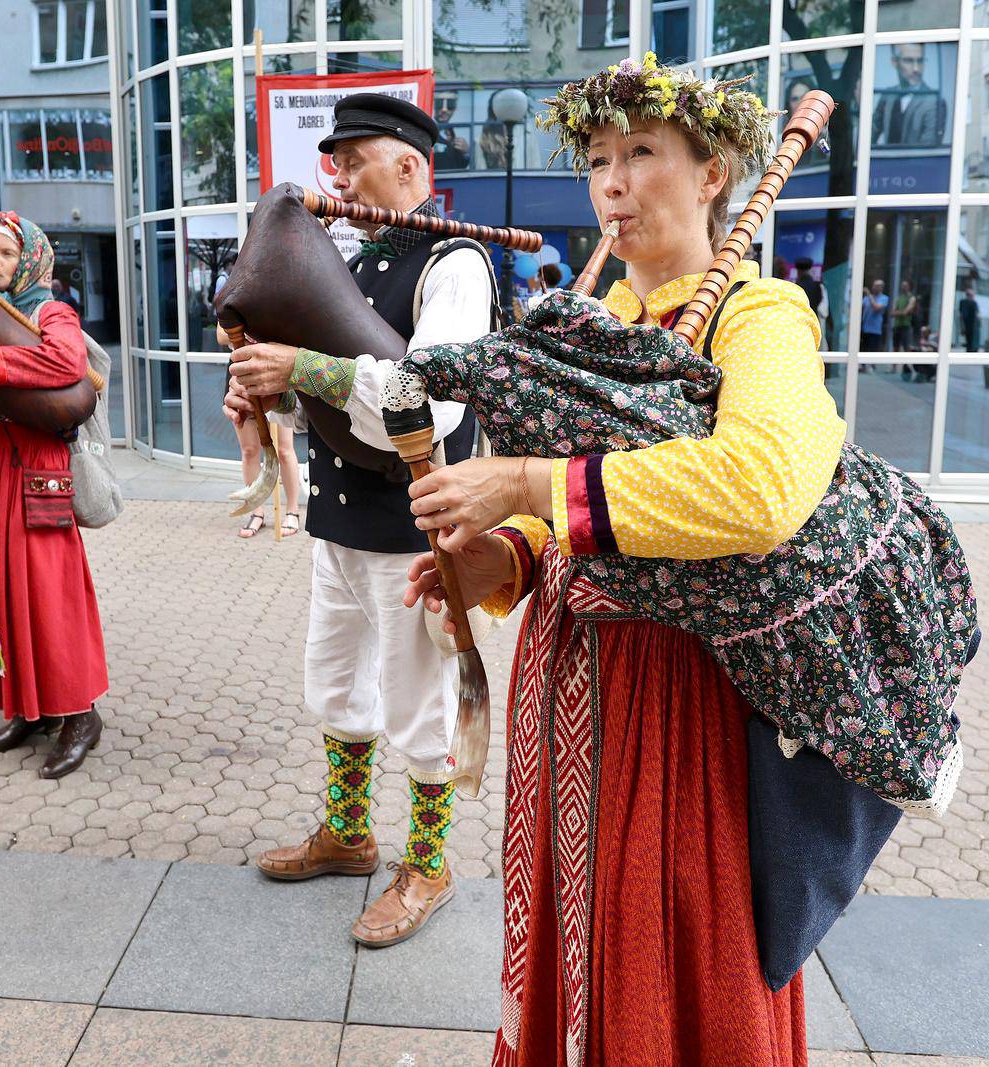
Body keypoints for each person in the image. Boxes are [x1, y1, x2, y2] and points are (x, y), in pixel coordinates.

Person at [398, 54, 863, 1064]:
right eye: (599, 159)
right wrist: (498, 562)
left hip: (677, 698)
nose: (613, 180)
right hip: (570, 677)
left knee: (661, 934)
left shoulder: (761, 317)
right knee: (574, 909)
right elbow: (577, 504)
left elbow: (758, 488)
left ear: (710, 175)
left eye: (642, 152)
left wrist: (523, 484)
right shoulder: (607, 326)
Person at [224, 93, 493, 947]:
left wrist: (309, 362)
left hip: (413, 527)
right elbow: (335, 411)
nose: (335, 175)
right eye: (334, 160)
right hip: (339, 521)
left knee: (420, 702)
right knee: (336, 680)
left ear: (410, 168)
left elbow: (431, 404)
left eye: (354, 159)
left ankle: (429, 862)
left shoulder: (457, 264)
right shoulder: (353, 262)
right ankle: (348, 834)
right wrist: (276, 390)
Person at [0, 210, 109, 779]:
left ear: (31, 259)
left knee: (47, 593)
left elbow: (66, 360)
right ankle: (30, 707)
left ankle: (80, 715)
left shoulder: (50, 311)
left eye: (7, 253)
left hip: (37, 472)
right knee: (1, 592)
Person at [221, 328, 303, 539]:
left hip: (276, 369)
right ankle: (256, 511)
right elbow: (222, 335)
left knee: (284, 450)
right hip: (242, 372)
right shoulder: (231, 296)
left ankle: (292, 510)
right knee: (249, 450)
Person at [874, 43, 948, 147]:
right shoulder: (887, 96)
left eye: (920, 61)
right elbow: (870, 134)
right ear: (894, 62)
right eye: (908, 61)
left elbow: (928, 147)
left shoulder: (934, 101)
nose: (916, 69)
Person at [794, 256, 830, 351]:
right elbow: (824, 311)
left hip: (798, 326)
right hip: (815, 324)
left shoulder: (795, 287)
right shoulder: (818, 286)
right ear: (810, 269)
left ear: (798, 271)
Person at [860, 277, 889, 352]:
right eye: (873, 285)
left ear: (881, 288)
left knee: (872, 352)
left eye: (876, 286)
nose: (873, 287)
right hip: (864, 330)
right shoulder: (866, 298)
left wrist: (869, 294)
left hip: (875, 331)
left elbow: (876, 307)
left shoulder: (884, 298)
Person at [959, 279, 981, 350]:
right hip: (972, 326)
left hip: (970, 326)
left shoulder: (963, 302)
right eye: (972, 295)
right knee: (972, 344)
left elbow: (962, 315)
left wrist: (962, 327)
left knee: (969, 344)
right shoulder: (972, 303)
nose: (973, 296)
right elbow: (977, 315)